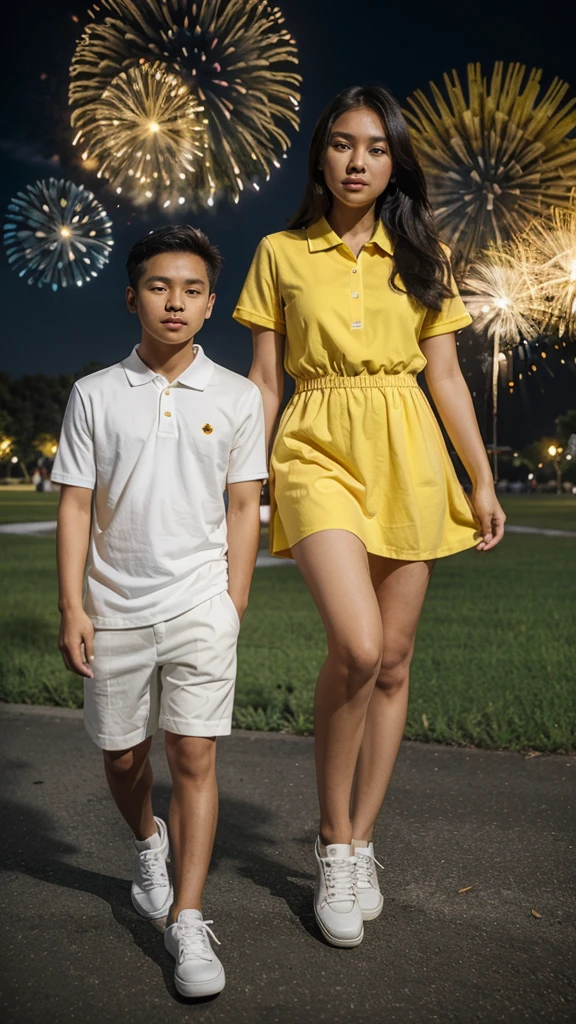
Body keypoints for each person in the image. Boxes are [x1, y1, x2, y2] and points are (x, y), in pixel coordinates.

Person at [233, 84, 505, 948]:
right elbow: (266, 381)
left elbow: (447, 377)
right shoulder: (279, 252)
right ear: (321, 155)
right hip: (314, 444)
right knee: (354, 643)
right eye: (344, 145)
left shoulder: (424, 252)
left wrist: (482, 478)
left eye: (376, 148)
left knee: (392, 661)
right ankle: (331, 834)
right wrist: (240, 474)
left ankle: (357, 840)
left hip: (409, 449)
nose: (359, 161)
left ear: (395, 163)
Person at [52, 226, 267, 996]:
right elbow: (76, 505)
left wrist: (233, 601)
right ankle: (149, 838)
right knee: (120, 757)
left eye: (190, 290)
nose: (174, 301)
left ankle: (188, 916)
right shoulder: (94, 394)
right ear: (134, 296)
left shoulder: (239, 396)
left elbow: (245, 506)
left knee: (195, 757)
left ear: (212, 304)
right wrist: (73, 603)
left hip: (202, 603)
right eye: (157, 286)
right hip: (114, 604)